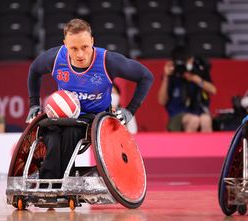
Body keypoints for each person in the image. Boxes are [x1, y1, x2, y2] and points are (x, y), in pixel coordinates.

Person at [25, 18, 154, 179]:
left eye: (85, 47)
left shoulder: (108, 61)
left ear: (92, 41)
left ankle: (57, 180)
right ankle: (48, 179)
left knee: (71, 131)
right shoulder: (55, 58)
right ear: (65, 44)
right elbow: (34, 71)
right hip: (65, 115)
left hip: (95, 117)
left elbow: (146, 76)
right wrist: (34, 105)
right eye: (74, 48)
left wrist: (130, 111)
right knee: (48, 130)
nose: (80, 54)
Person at [158, 47, 217, 132]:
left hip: (197, 112)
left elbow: (213, 90)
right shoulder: (171, 77)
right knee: (194, 120)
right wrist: (166, 77)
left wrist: (196, 79)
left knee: (206, 119)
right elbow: (161, 101)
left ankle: (207, 145)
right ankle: (187, 145)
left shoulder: (196, 73)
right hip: (176, 116)